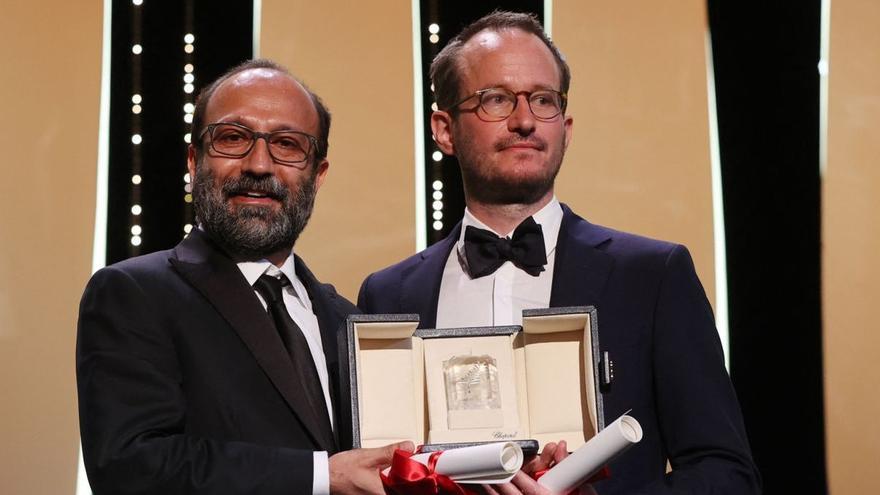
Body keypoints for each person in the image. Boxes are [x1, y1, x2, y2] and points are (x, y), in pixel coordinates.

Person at [358, 11, 761, 495]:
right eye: (496, 100)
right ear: (444, 130)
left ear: (565, 128)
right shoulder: (388, 294)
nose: (525, 120)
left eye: (543, 101)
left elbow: (726, 474)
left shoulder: (652, 275)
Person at [76, 59, 411, 494]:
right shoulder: (132, 293)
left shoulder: (347, 319)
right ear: (194, 162)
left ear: (318, 175)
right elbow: (131, 466)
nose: (258, 165)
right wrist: (319, 477)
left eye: (288, 145)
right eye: (233, 139)